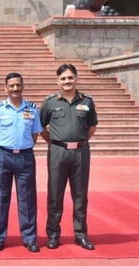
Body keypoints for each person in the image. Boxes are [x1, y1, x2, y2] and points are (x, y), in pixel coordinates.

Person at [39, 63, 98, 250]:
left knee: (80, 196)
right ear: (58, 81)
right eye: (63, 78)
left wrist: (78, 141)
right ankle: (53, 234)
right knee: (55, 195)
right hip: (58, 152)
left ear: (76, 78)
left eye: (70, 77)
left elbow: (92, 127)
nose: (67, 81)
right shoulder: (50, 102)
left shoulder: (87, 101)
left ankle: (80, 235)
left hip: (80, 152)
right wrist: (57, 142)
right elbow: (41, 127)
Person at [0, 72, 42, 253]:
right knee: (1, 198)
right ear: (6, 88)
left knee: (27, 199)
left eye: (18, 85)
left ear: (23, 86)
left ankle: (29, 238)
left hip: (26, 156)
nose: (15, 88)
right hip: (3, 155)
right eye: (11, 86)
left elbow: (35, 135)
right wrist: (6, 149)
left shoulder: (32, 108)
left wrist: (23, 147)